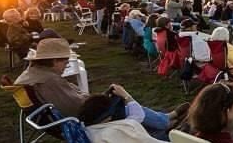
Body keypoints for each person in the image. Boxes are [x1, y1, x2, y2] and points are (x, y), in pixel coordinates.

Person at [15, 38, 186, 137]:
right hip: (85, 121)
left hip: (70, 120)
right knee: (122, 102)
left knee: (117, 98)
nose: (66, 66)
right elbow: (77, 107)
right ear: (54, 61)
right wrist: (102, 99)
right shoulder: (49, 81)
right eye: (65, 62)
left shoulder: (36, 76)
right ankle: (165, 123)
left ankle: (165, 120)